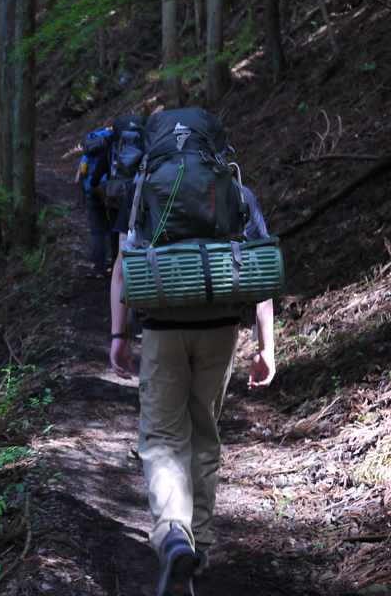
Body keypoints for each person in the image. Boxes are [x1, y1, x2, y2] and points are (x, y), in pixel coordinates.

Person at [108, 183, 276, 596]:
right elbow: (259, 263)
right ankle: (196, 549)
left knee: (164, 437)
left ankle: (173, 536)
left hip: (164, 327)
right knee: (203, 430)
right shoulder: (236, 189)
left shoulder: (146, 190)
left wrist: (118, 334)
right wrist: (266, 346)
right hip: (220, 327)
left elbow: (122, 266)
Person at [78, 147, 111, 278]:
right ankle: (111, 263)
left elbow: (77, 180)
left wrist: (86, 193)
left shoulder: (87, 157)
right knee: (110, 229)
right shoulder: (111, 153)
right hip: (108, 191)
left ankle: (99, 269)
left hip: (91, 193)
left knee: (97, 232)